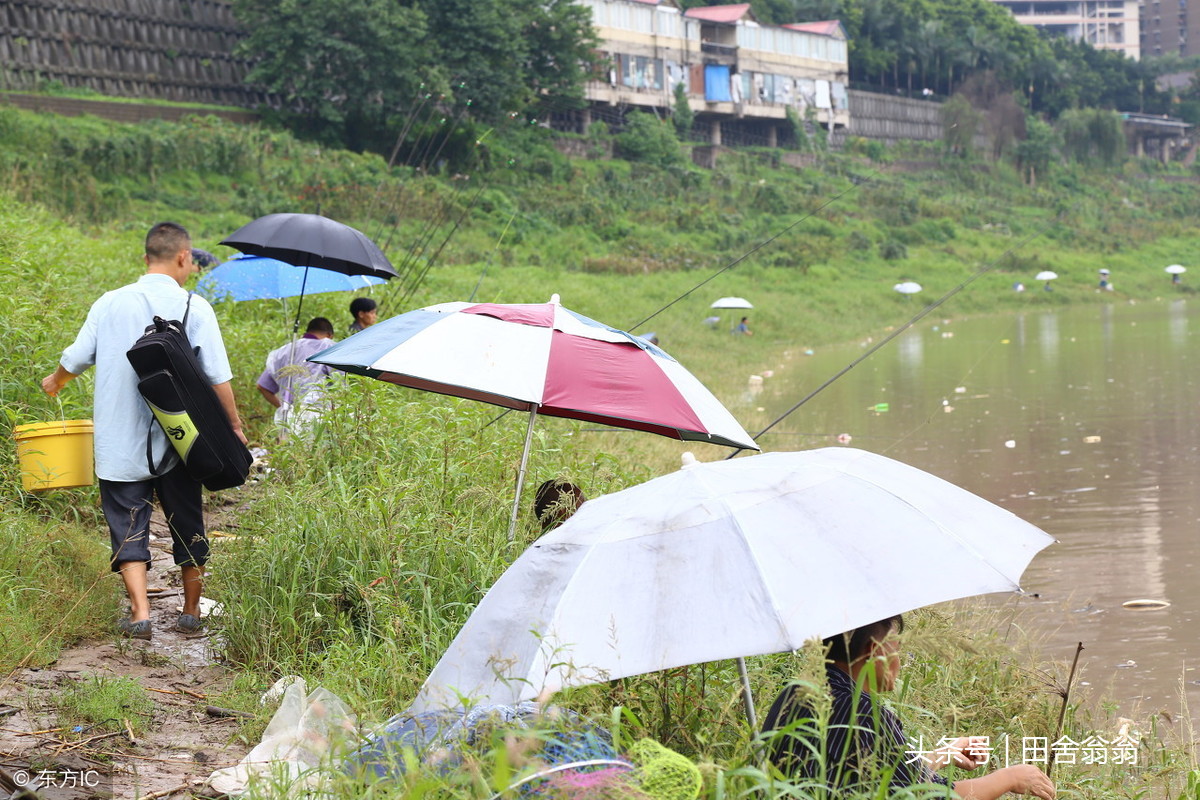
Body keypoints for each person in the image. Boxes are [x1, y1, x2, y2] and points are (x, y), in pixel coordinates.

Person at [42, 222, 245, 640]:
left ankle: (139, 613)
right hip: (182, 438)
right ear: (184, 257)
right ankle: (190, 611)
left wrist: (56, 381)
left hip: (120, 437)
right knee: (187, 518)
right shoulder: (195, 307)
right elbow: (218, 377)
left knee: (126, 521)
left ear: (145, 257)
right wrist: (235, 427)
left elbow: (78, 357)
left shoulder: (109, 303)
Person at [762, 616, 1055, 800]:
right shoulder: (863, 713)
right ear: (873, 652)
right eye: (897, 651)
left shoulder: (798, 690)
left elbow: (874, 774)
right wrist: (1011, 777)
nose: (899, 662)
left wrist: (944, 754)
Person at [256, 317, 337, 440]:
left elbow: (262, 386)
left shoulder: (284, 351)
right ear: (329, 335)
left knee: (291, 456)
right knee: (315, 455)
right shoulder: (328, 348)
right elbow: (342, 384)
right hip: (318, 417)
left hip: (288, 416)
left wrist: (283, 405)